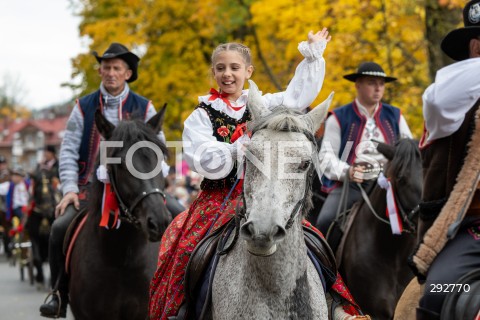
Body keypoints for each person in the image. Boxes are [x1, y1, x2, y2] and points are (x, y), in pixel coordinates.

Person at [149, 29, 366, 320]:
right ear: (214, 72)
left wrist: (313, 56)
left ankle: (334, 302)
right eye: (221, 68)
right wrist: (237, 150)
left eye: (235, 68)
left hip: (267, 193)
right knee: (185, 248)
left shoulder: (265, 104)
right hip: (217, 200)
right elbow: (200, 158)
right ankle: (182, 310)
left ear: (248, 71)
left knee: (314, 241)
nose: (228, 74)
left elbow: (297, 96)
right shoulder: (201, 115)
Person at [40, 42, 165, 318]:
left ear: (128, 73)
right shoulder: (82, 107)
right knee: (59, 227)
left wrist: (157, 187)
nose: (110, 73)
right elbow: (70, 150)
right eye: (106, 68)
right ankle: (58, 292)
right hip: (89, 190)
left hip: (137, 190)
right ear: (100, 71)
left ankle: (175, 289)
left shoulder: (145, 107)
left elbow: (158, 152)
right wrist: (70, 189)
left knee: (176, 220)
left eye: (116, 68)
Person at [410, 1, 480, 318]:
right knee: (437, 294)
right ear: (476, 47)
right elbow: (440, 99)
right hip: (471, 229)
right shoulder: (450, 98)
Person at [315, 62, 412, 235]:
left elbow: (410, 152)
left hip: (392, 184)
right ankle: (326, 263)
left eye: (381, 84)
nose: (378, 88)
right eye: (371, 83)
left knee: (420, 214)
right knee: (325, 221)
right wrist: (348, 172)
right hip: (353, 184)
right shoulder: (338, 117)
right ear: (358, 85)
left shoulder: (396, 115)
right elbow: (326, 158)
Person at [27, 145, 60, 286]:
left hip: (56, 198)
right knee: (28, 219)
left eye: (47, 152)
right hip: (39, 202)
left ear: (52, 154)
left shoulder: (58, 166)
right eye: (44, 152)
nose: (45, 155)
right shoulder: (39, 167)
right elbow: (33, 183)